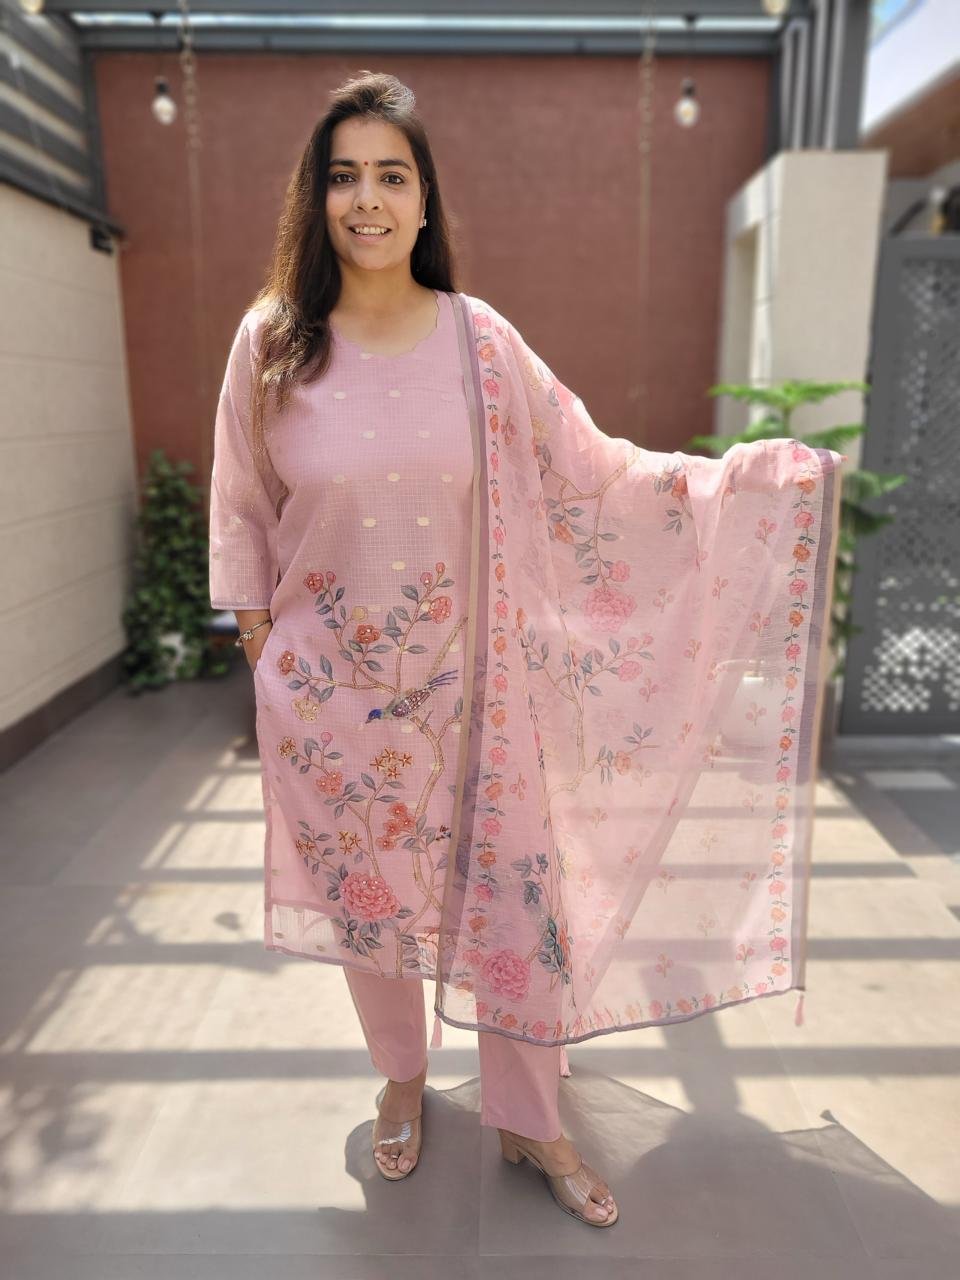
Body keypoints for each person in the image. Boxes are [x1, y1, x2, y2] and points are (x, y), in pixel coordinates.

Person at [209, 69, 619, 1226]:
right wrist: (263, 650)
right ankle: (402, 1075)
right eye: (344, 177)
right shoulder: (274, 343)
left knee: (517, 902)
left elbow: (585, 463)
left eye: (392, 175)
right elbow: (239, 502)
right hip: (334, 697)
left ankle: (532, 1116)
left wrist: (739, 480)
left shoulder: (480, 341)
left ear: (425, 200)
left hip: (480, 688)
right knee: (374, 910)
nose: (368, 199)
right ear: (318, 199)